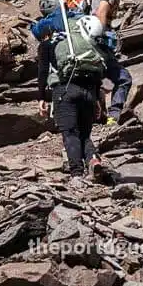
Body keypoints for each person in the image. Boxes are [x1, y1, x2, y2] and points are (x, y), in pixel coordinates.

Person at [49, 14, 108, 181]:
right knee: (84, 134)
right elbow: (99, 77)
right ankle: (93, 159)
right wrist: (97, 101)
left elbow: (50, 69)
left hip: (66, 90)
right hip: (89, 93)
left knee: (70, 134)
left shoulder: (61, 43)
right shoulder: (92, 47)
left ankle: (76, 174)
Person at [89, 0, 143, 125]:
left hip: (90, 43)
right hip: (97, 44)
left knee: (96, 80)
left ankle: (99, 117)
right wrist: (101, 38)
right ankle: (113, 118)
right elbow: (101, 11)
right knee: (123, 78)